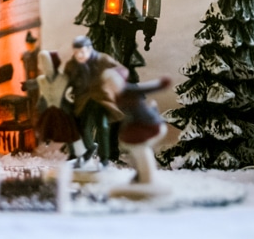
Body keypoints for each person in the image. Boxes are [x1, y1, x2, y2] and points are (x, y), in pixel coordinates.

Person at [63, 35, 126, 165]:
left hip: (102, 100)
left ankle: (104, 159)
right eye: (76, 52)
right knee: (83, 127)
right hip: (82, 101)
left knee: (102, 126)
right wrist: (68, 91)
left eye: (82, 52)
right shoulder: (71, 65)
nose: (79, 55)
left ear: (89, 49)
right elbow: (66, 81)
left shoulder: (102, 59)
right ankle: (90, 147)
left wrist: (113, 84)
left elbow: (121, 71)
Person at [110, 72, 172, 185]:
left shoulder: (127, 90)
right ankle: (140, 174)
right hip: (137, 124)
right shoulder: (111, 95)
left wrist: (161, 84)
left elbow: (146, 88)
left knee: (138, 149)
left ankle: (146, 177)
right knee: (132, 149)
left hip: (150, 124)